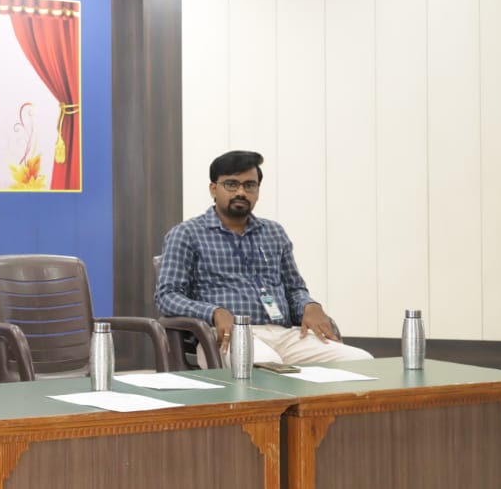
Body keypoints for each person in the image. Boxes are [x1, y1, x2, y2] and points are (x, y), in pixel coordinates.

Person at [155, 150, 372, 366]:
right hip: (228, 335)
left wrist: (309, 305)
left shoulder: (273, 232)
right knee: (267, 365)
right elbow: (167, 296)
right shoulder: (187, 234)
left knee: (361, 361)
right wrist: (214, 312)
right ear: (213, 189)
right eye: (231, 184)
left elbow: (294, 289)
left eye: (250, 185)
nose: (241, 192)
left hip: (284, 334)